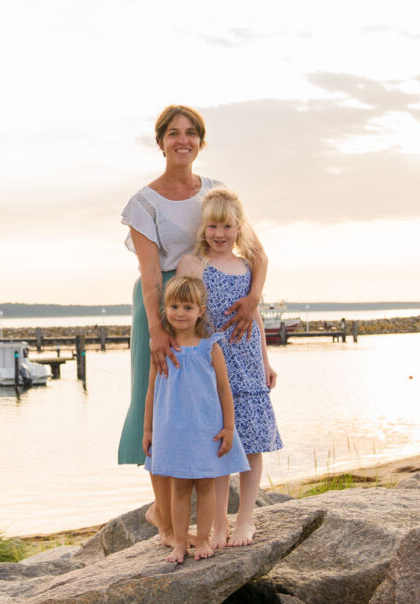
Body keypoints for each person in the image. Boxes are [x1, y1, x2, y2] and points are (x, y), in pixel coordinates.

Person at [119, 105, 268, 546]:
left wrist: (253, 300)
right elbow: (150, 276)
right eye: (173, 133)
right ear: (160, 140)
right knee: (161, 399)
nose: (182, 140)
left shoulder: (217, 191)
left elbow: (256, 251)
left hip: (216, 298)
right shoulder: (143, 203)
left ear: (201, 142)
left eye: (191, 133)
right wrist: (158, 328)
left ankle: (180, 513)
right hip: (164, 303)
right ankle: (166, 522)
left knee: (206, 403)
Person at [176, 188, 283, 548]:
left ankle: (246, 520)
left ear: (238, 228)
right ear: (203, 228)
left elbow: (254, 319)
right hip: (212, 363)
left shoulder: (247, 265)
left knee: (251, 444)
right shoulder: (193, 265)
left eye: (226, 226)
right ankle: (219, 521)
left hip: (249, 358)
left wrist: (266, 362)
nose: (219, 234)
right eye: (212, 226)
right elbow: (185, 315)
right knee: (220, 441)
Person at [142, 276, 249, 562]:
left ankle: (202, 540)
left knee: (205, 486)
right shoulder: (163, 349)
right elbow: (151, 390)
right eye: (174, 306)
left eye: (188, 307)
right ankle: (179, 543)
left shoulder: (209, 347)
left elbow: (225, 389)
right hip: (172, 430)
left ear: (201, 310)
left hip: (206, 429)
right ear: (165, 309)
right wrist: (148, 429)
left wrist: (228, 427)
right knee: (178, 488)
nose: (180, 312)